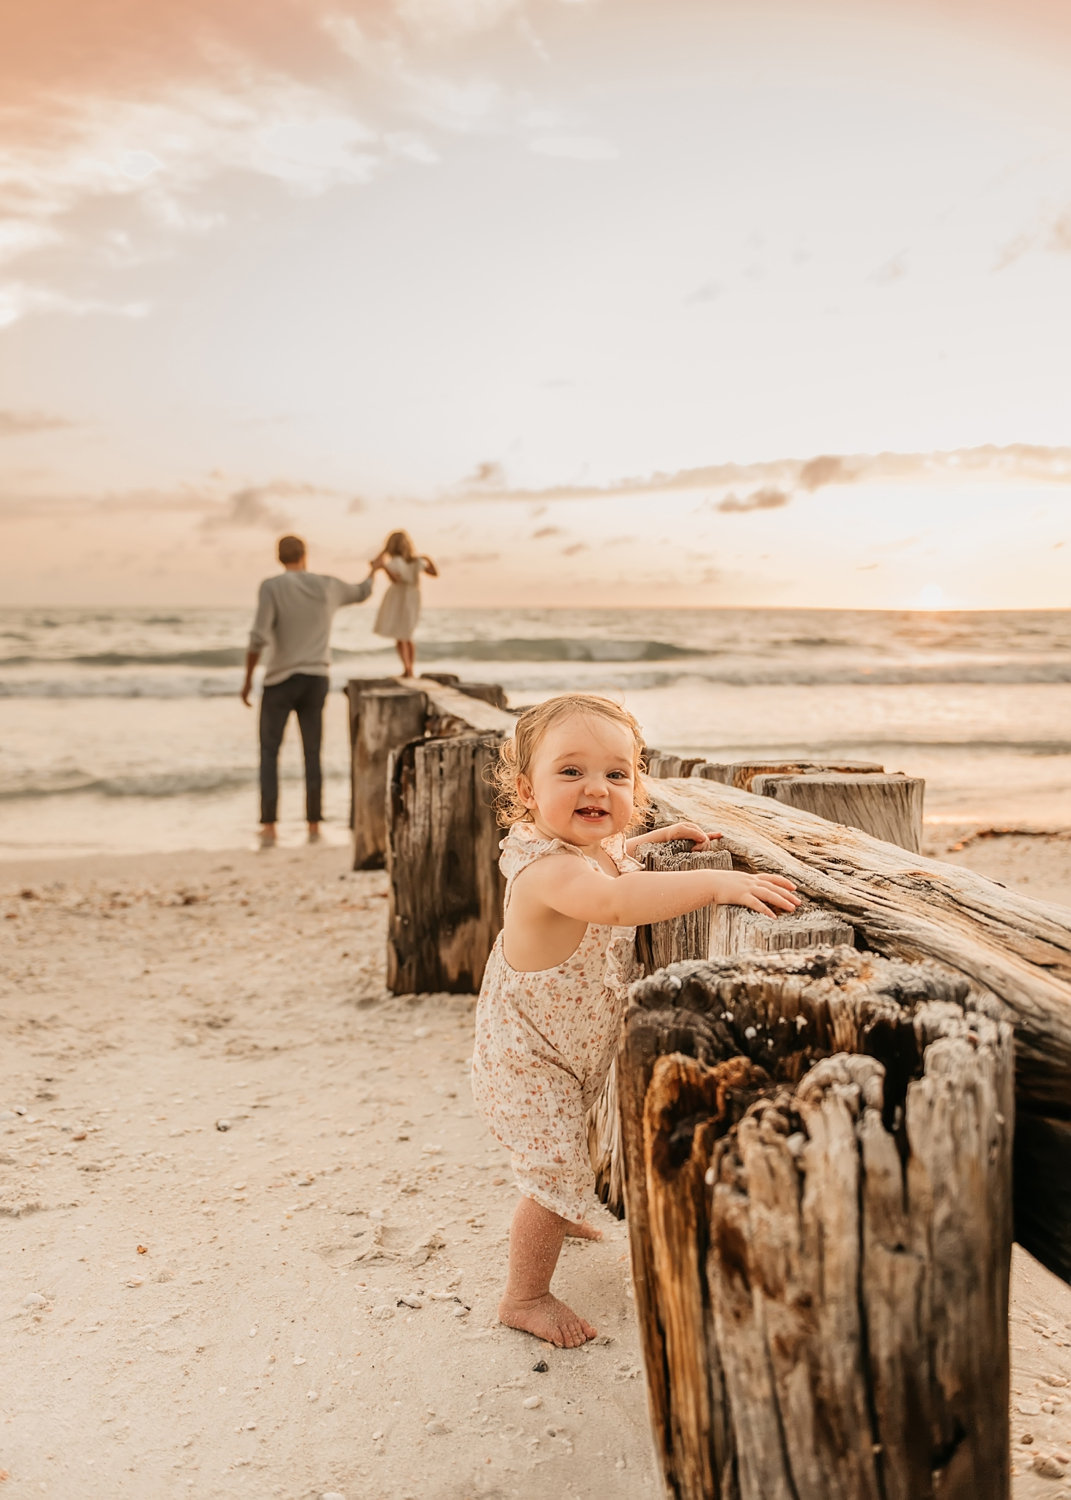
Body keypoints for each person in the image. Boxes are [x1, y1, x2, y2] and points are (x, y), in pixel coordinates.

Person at [470, 693, 800, 1348]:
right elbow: (613, 901)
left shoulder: (591, 851)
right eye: (569, 772)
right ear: (525, 791)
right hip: (529, 1058)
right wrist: (714, 885)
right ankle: (524, 1296)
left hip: (565, 1046)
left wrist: (651, 844)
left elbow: (613, 863)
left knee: (572, 1153)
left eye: (615, 774)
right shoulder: (546, 871)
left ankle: (562, 1217)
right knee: (552, 1172)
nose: (596, 787)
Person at [242, 535, 374, 845]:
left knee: (269, 751)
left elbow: (258, 636)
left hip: (279, 679)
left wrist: (248, 678)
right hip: (316, 678)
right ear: (305, 555)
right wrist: (375, 570)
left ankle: (270, 826)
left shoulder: (271, 587)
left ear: (279, 557)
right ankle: (314, 824)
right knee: (312, 752)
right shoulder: (326, 585)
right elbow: (362, 592)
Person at [370, 529, 438, 677]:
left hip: (400, 597)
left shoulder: (397, 562)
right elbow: (434, 573)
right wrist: (427, 559)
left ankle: (408, 668)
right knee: (405, 633)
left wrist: (384, 560)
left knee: (402, 634)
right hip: (412, 596)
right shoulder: (416, 562)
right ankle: (409, 668)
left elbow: (395, 579)